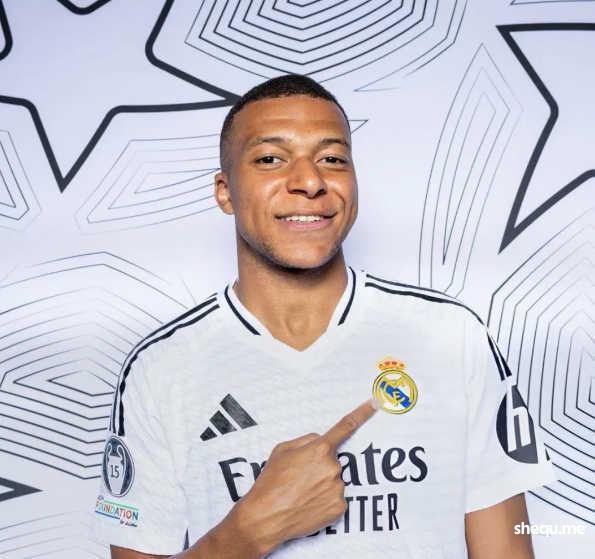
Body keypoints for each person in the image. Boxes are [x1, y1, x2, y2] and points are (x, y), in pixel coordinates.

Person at [91, 74, 557, 559]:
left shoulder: (450, 335)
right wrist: (248, 532)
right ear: (225, 191)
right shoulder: (160, 367)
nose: (310, 182)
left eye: (332, 159)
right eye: (270, 159)